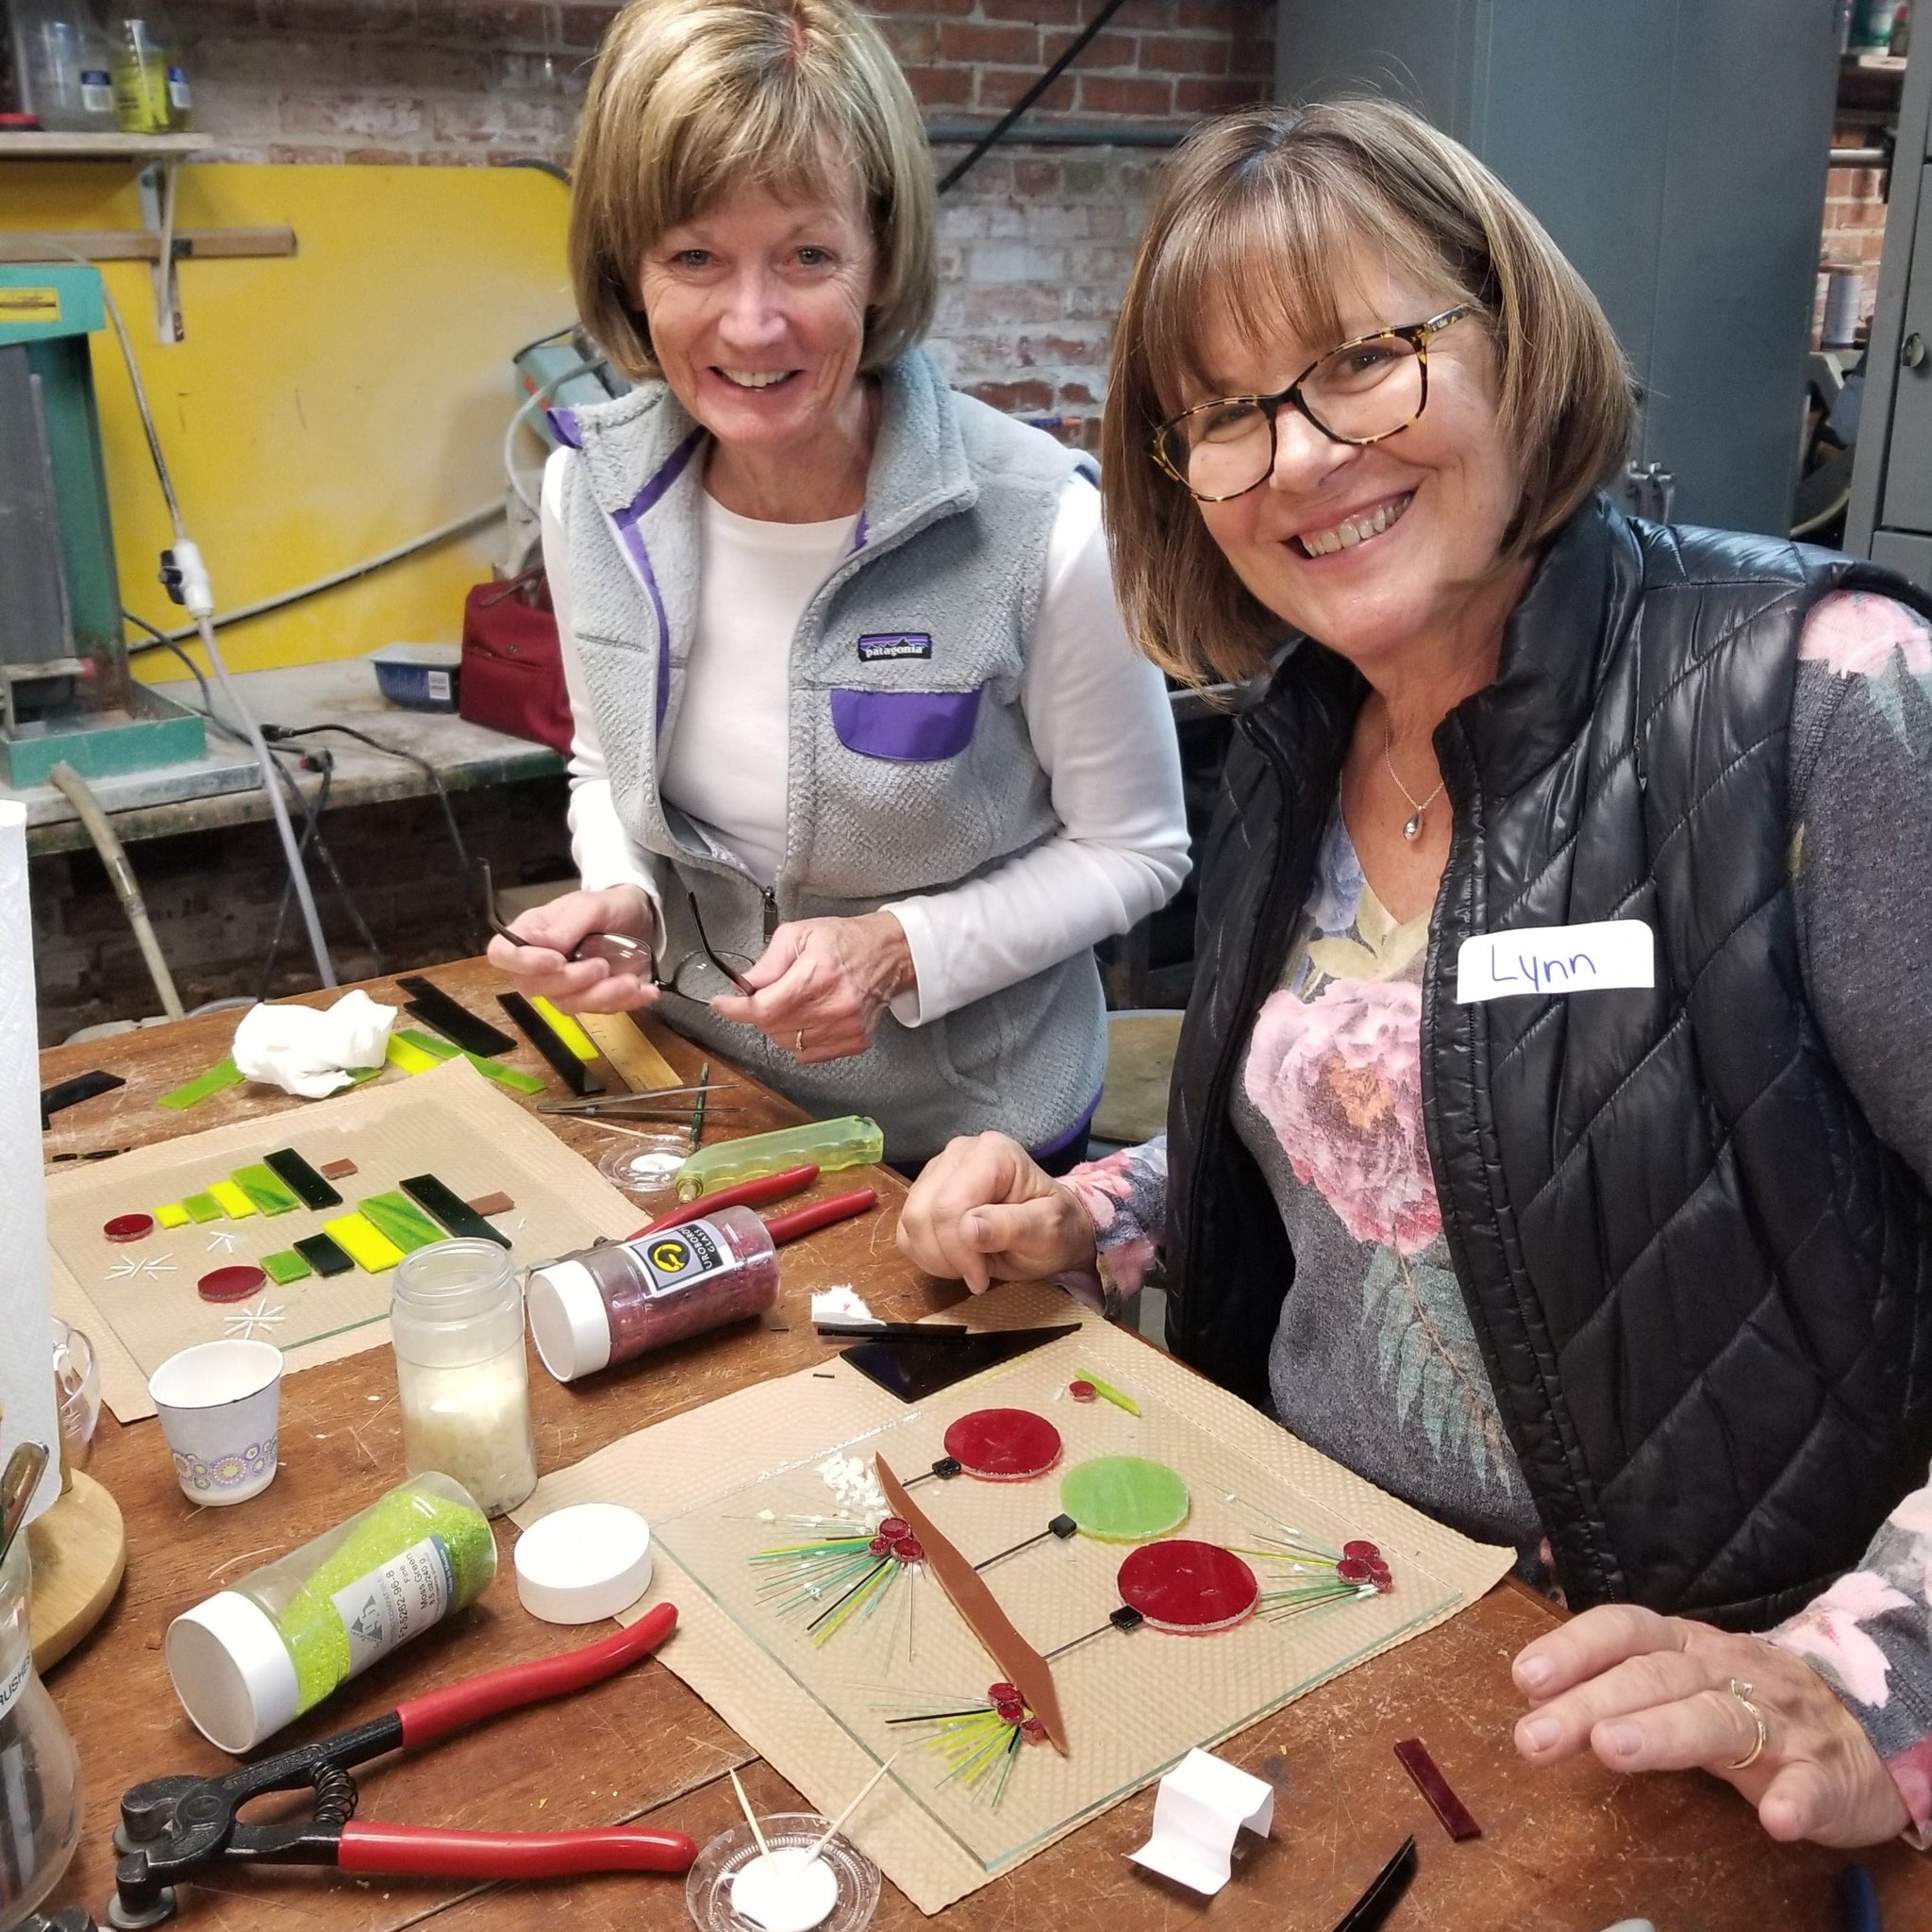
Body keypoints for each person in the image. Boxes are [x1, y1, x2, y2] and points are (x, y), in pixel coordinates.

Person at [898, 98, 1932, 1849]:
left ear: (1512, 341)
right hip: (1319, 1607)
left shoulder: (1815, 692)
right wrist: (1105, 1210)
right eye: (1221, 416)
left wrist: (1871, 1674)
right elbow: (1379, 1130)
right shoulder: (1296, 738)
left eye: (1362, 359)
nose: (1296, 457)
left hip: (1667, 1721)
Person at [488, 0, 1189, 1167]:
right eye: (694, 256)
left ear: (879, 257)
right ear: (629, 269)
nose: (751, 324)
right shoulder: (590, 495)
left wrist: (897, 947)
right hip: (707, 1096)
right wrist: (624, 899)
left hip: (965, 1146)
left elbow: (1136, 850)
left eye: (806, 255)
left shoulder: (1043, 528)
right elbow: (607, 768)